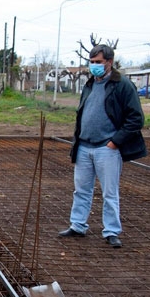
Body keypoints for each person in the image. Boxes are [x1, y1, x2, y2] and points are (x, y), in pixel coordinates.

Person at [58, 44, 146, 248]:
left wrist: (115, 142)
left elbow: (135, 118)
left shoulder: (122, 85)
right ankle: (78, 225)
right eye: (92, 62)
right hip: (84, 146)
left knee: (109, 192)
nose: (94, 65)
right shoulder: (90, 84)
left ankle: (111, 231)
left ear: (109, 62)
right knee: (81, 189)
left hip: (107, 148)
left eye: (98, 62)